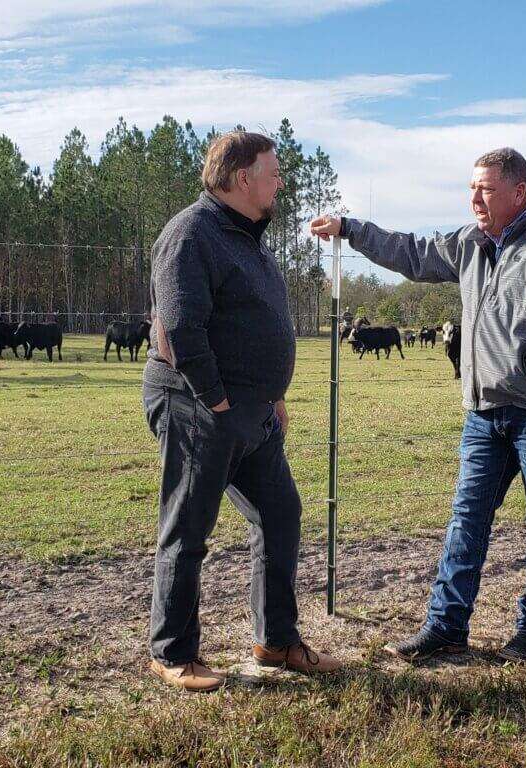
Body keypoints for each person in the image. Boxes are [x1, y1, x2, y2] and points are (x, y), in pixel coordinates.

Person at [311, 148, 526, 663]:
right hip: (484, 414)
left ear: (518, 192)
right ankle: (446, 626)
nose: (474, 197)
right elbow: (410, 251)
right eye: (472, 187)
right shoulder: (469, 244)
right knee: (466, 518)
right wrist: (351, 229)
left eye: (486, 189)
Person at [143, 131, 340, 693]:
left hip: (253, 415)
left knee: (279, 514)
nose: (280, 181)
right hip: (199, 406)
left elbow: (254, 324)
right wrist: (220, 401)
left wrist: (272, 393)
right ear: (238, 178)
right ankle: (172, 652)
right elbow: (180, 327)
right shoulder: (191, 234)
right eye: (272, 171)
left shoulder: (247, 240)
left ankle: (276, 641)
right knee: (189, 526)